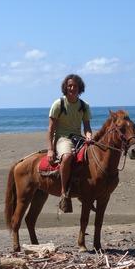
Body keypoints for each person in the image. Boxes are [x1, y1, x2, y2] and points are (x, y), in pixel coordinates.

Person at [46, 74, 93, 213]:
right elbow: (50, 129)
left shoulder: (84, 106)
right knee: (67, 156)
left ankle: (86, 192)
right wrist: (50, 149)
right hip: (62, 138)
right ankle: (64, 193)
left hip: (79, 138)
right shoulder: (58, 104)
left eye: (75, 86)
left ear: (80, 88)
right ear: (65, 87)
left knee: (93, 157)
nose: (72, 88)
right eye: (69, 86)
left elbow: (87, 127)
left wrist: (89, 136)